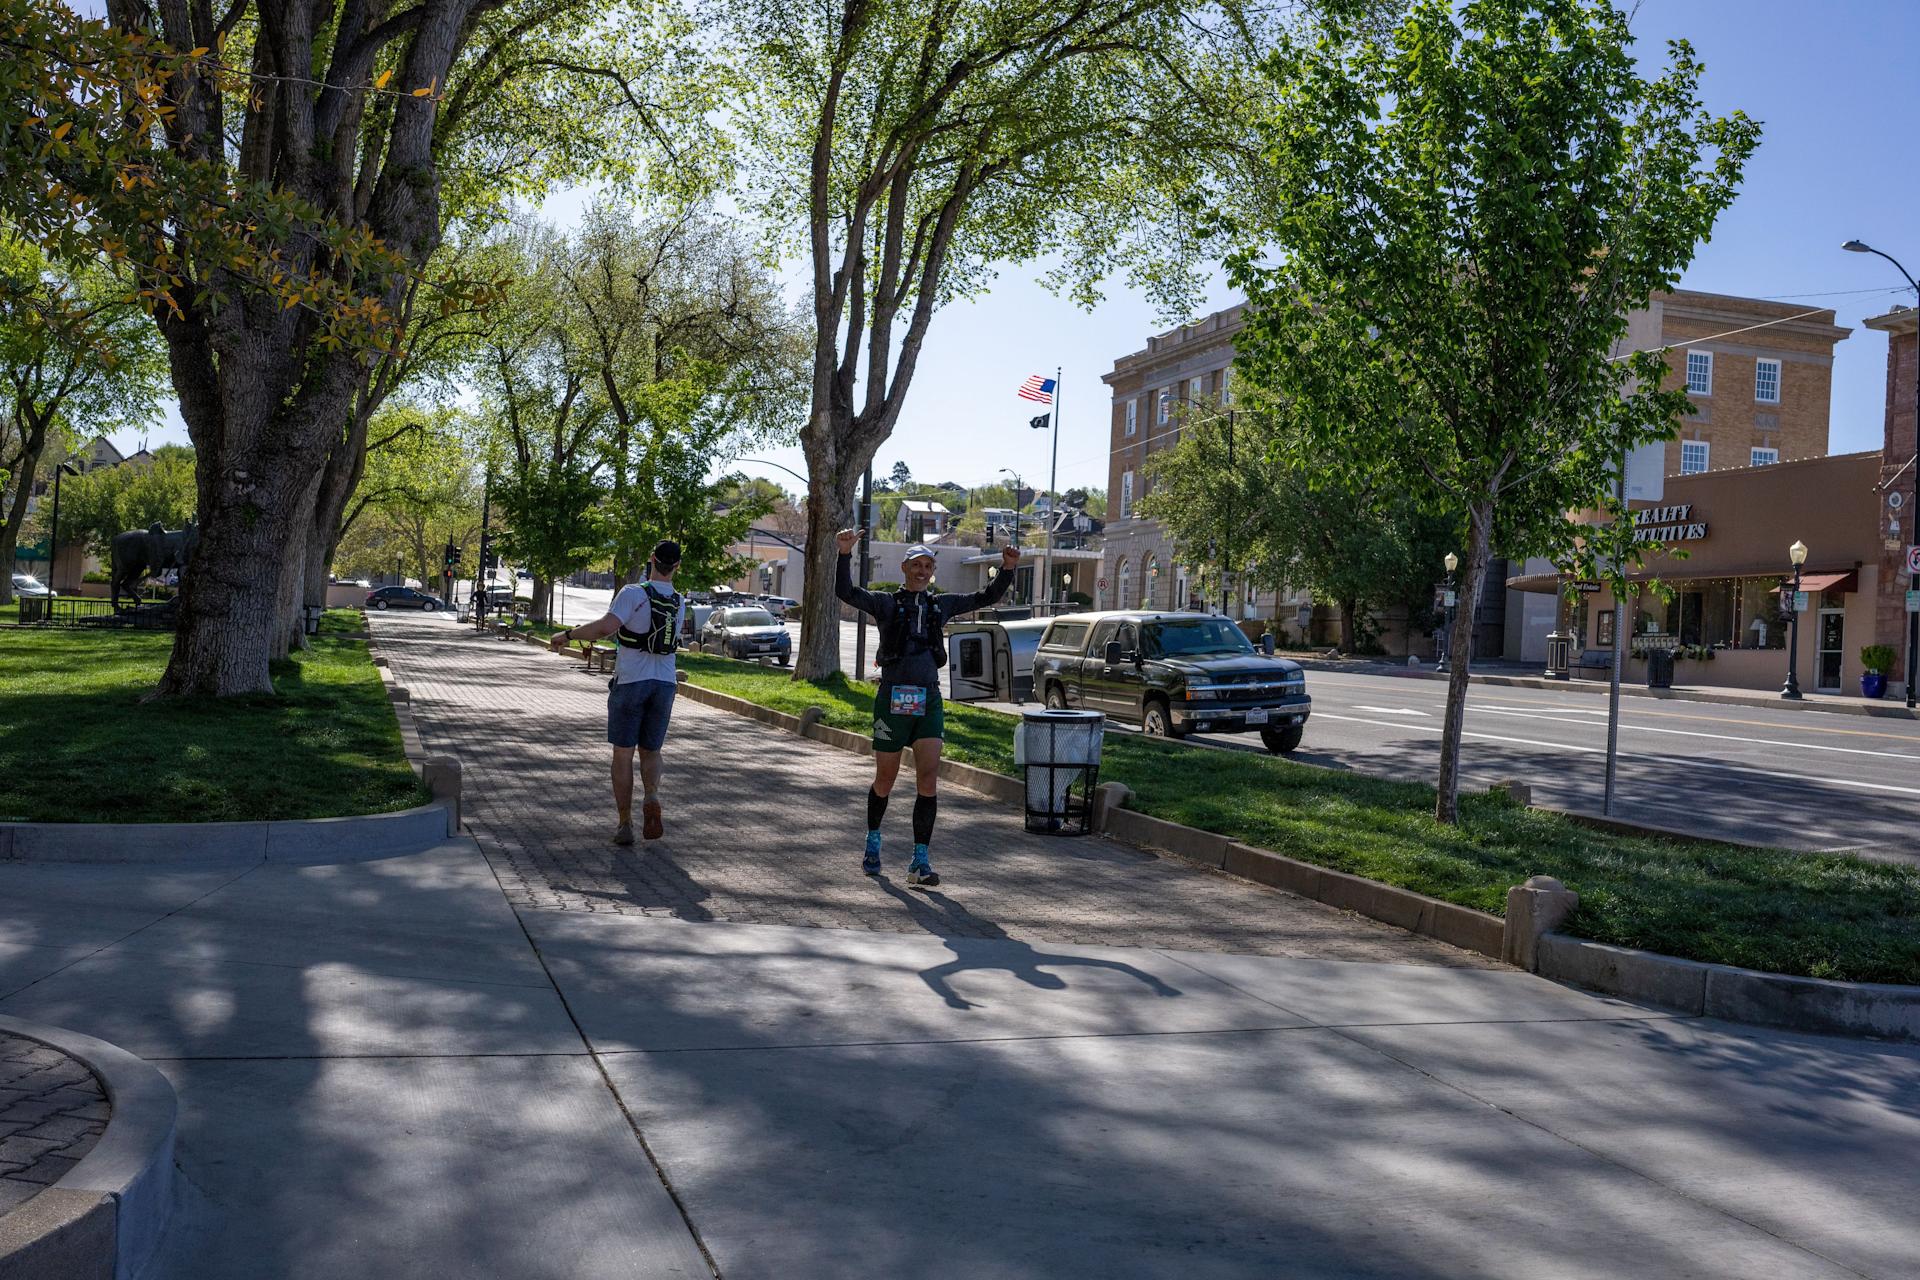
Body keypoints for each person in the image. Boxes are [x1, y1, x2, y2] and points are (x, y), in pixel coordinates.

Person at [835, 529, 1020, 884]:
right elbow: (846, 592)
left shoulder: (942, 604)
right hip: (892, 698)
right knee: (885, 780)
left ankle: (920, 861)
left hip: (929, 700)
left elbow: (986, 596)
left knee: (928, 779)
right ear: (904, 567)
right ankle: (873, 842)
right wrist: (845, 554)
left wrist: (1007, 568)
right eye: (916, 565)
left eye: (928, 566)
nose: (922, 571)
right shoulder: (887, 603)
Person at [549, 540, 687, 845]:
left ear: (652, 560)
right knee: (651, 751)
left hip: (631, 682)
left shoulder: (633, 593)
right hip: (664, 683)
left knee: (623, 754)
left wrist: (567, 635)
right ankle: (651, 795)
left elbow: (604, 629)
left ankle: (624, 823)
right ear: (676, 566)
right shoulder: (679, 601)